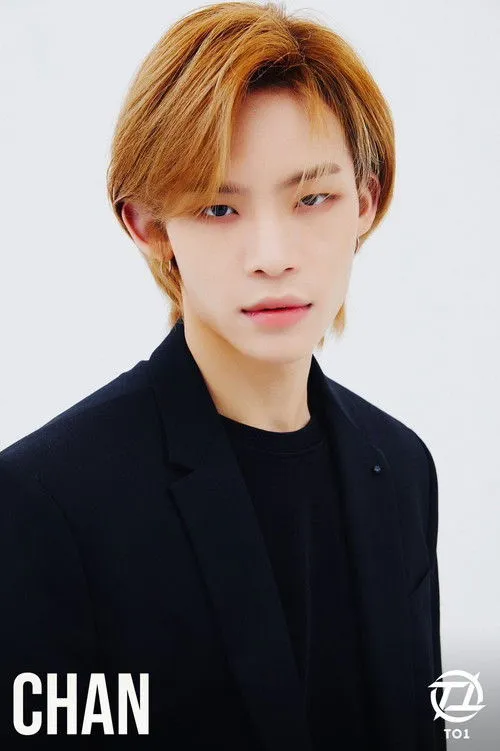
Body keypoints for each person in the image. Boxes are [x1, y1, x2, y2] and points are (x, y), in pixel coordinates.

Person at [0, 1, 445, 748]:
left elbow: (438, 721)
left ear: (367, 201)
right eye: (217, 208)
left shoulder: (401, 468)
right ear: (148, 225)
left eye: (313, 198)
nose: (272, 255)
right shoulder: (47, 502)